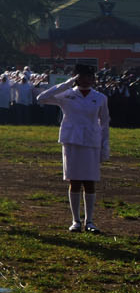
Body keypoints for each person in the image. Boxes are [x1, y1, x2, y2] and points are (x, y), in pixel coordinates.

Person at [37, 63, 111, 233]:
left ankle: (90, 220)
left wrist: (105, 145)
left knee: (90, 181)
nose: (88, 79)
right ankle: (76, 220)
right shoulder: (66, 95)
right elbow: (41, 98)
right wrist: (67, 83)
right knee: (75, 180)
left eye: (91, 76)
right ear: (77, 77)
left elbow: (105, 122)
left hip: (92, 141)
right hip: (71, 140)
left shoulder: (100, 97)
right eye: (84, 76)